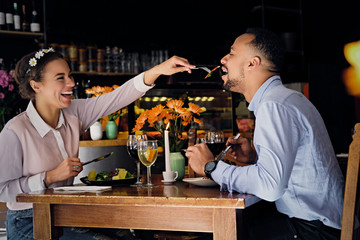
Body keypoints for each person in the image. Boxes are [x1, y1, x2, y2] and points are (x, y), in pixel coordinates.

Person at [0, 48, 195, 240]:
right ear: (36, 86)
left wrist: (157, 71)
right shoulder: (14, 131)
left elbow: (116, 98)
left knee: (130, 236)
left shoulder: (74, 112)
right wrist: (49, 177)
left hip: (64, 214)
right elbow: (2, 190)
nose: (71, 83)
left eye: (70, 75)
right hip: (27, 221)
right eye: (61, 78)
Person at [186, 28, 344, 240]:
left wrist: (211, 167)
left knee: (213, 233)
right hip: (320, 225)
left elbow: (270, 186)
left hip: (313, 231)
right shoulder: (287, 99)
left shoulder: (274, 105)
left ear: (253, 63)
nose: (223, 58)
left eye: (231, 53)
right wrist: (255, 159)